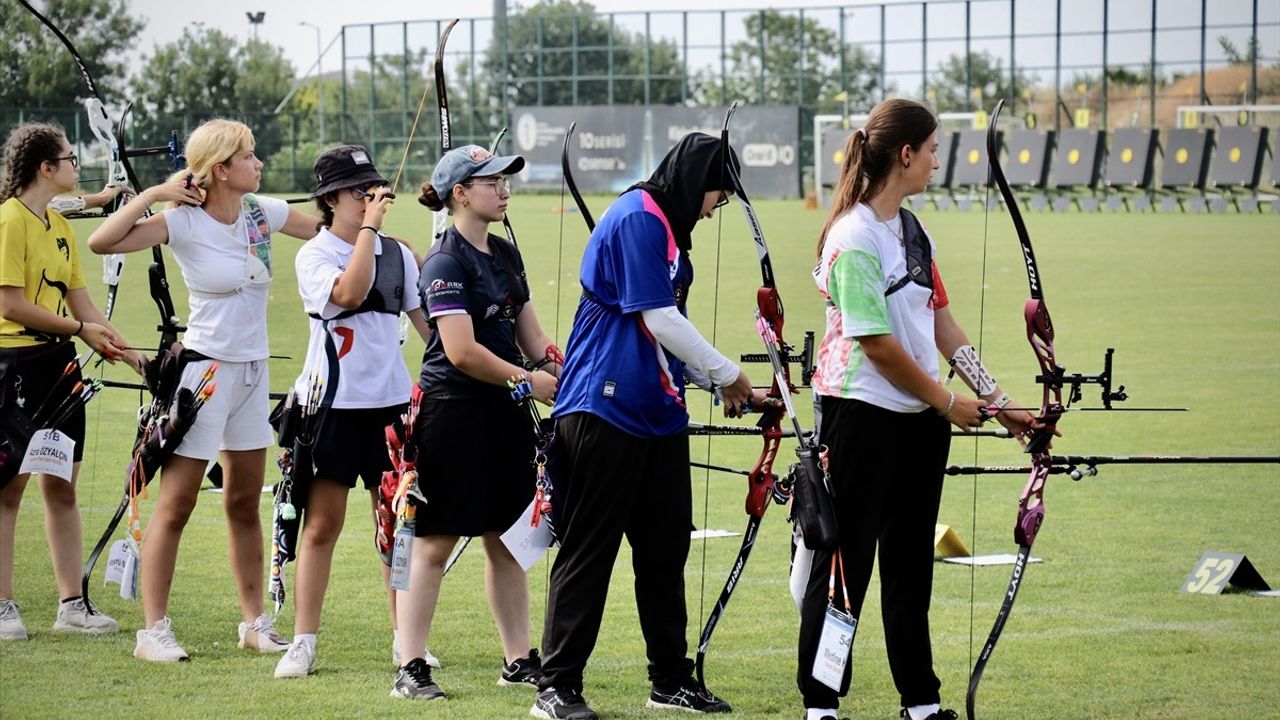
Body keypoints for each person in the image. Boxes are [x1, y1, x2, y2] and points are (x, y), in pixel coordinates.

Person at [801, 98, 1043, 720]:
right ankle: (822, 705)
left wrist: (999, 400)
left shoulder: (912, 231)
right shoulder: (853, 236)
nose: (937, 161)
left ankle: (921, 702)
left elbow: (942, 325)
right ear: (904, 154)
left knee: (911, 567)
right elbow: (874, 342)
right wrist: (946, 401)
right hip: (859, 417)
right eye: (932, 149)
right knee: (845, 569)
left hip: (916, 425)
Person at [534, 133, 770, 720]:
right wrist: (730, 373)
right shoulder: (640, 217)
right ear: (697, 180)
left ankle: (669, 680)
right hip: (603, 408)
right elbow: (658, 317)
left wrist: (728, 386)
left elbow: (672, 333)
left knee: (665, 552)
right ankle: (555, 687)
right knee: (589, 550)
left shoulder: (667, 233)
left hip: (658, 416)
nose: (715, 208)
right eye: (718, 194)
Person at [87, 119, 320, 662]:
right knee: (177, 503)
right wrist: (152, 194)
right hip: (205, 375)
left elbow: (328, 231)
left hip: (253, 372)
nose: (259, 165)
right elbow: (103, 242)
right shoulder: (182, 222)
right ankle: (153, 631)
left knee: (243, 500)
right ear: (220, 169)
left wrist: (379, 226)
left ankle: (255, 623)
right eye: (249, 156)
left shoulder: (263, 212)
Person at [390, 144, 558, 700]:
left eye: (506, 182)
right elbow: (461, 352)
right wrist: (529, 381)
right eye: (492, 183)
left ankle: (518, 659)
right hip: (453, 414)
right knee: (434, 543)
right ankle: (410, 666)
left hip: (503, 414)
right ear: (460, 194)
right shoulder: (444, 262)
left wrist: (559, 365)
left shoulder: (506, 254)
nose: (504, 190)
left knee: (507, 543)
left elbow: (530, 338)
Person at [271, 145, 432, 678]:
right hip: (331, 407)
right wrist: (371, 233)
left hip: (390, 405)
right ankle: (303, 641)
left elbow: (428, 328)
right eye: (358, 192)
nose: (370, 198)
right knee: (321, 526)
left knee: (397, 527)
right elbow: (351, 290)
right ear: (330, 199)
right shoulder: (313, 254)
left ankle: (404, 640)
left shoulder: (399, 254)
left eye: (374, 189)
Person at [0, 122, 142, 641]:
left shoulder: (58, 228)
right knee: (8, 490)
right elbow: (11, 304)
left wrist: (136, 361)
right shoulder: (9, 221)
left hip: (58, 368)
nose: (74, 165)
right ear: (46, 168)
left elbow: (85, 310)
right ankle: (2, 607)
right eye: (68, 157)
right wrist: (81, 330)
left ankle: (72, 604)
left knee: (62, 487)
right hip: (14, 365)